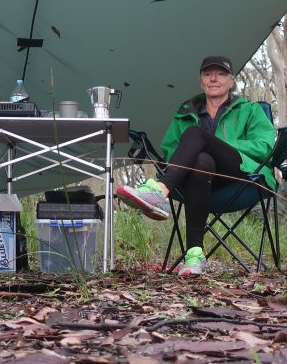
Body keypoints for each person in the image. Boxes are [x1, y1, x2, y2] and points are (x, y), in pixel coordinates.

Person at [117, 55, 275, 276]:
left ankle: (160, 190)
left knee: (196, 134)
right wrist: (200, 150)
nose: (213, 79)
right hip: (199, 179)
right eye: (207, 74)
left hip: (241, 175)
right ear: (201, 81)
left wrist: (218, 144)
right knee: (201, 161)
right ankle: (194, 255)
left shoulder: (249, 110)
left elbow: (265, 146)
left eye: (221, 74)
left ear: (231, 81)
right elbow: (170, 150)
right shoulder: (185, 112)